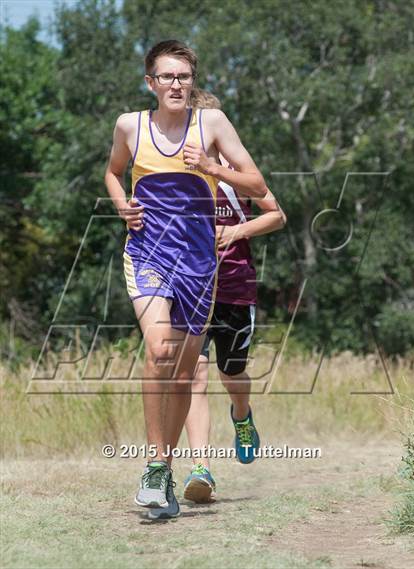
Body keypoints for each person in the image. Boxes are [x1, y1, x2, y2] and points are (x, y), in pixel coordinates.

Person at [104, 40, 267, 519]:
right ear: (150, 82)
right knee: (159, 353)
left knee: (183, 375)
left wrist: (211, 166)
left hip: (200, 265)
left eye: (183, 77)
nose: (175, 84)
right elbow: (113, 173)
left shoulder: (211, 124)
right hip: (148, 254)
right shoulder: (129, 125)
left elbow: (257, 186)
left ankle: (167, 474)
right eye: (166, 77)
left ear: (192, 82)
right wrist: (121, 204)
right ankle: (155, 467)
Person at [180, 89, 287, 504]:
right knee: (194, 375)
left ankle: (241, 416)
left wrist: (236, 231)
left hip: (235, 286)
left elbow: (276, 213)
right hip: (190, 285)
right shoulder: (176, 170)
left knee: (231, 374)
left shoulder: (234, 172)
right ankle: (201, 470)